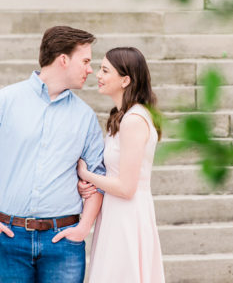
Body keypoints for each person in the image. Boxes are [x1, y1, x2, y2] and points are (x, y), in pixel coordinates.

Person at [0, 26, 106, 283]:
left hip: (63, 244)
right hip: (8, 241)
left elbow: (99, 176)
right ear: (63, 60)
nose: (90, 70)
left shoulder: (85, 117)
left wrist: (83, 229)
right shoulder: (6, 100)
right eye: (85, 61)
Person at [77, 47, 165, 283]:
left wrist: (86, 174)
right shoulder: (123, 115)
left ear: (125, 79)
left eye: (105, 70)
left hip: (127, 215)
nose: (98, 74)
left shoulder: (134, 120)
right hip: (117, 212)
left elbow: (127, 187)